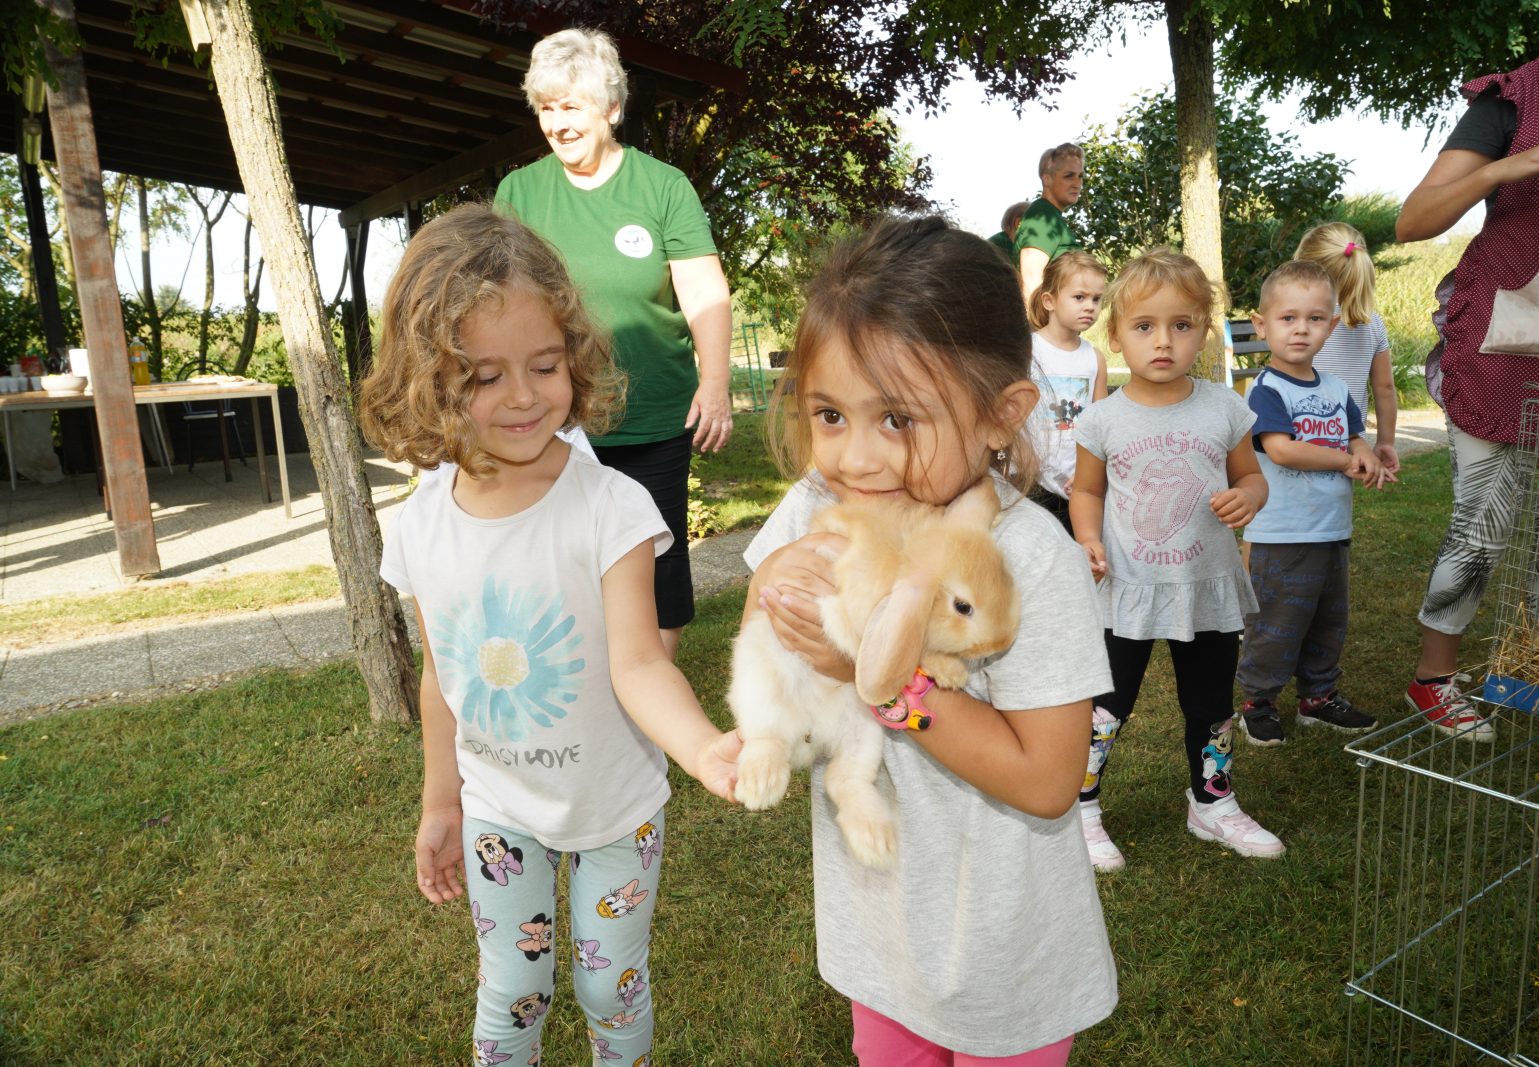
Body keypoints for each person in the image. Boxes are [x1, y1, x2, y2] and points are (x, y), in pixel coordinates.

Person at [358, 204, 739, 1067]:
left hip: (615, 806)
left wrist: (701, 746)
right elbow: (440, 678)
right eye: (485, 376)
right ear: (430, 380)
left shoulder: (611, 508)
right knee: (512, 988)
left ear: (574, 354)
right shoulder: (421, 526)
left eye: (544, 364)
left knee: (610, 988)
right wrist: (441, 802)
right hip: (499, 805)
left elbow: (640, 662)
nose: (525, 395)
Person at [745, 216, 1116, 1064]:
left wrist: (883, 677)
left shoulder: (1028, 558)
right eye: (830, 414)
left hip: (1007, 958)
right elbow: (766, 641)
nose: (855, 458)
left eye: (897, 420)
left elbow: (1048, 779)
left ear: (1001, 415)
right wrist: (782, 595)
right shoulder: (819, 504)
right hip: (880, 935)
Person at [1394, 0, 1539, 740]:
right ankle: (1433, 680)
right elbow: (1413, 221)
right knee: (1483, 523)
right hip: (1504, 342)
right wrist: (1515, 165)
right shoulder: (1510, 100)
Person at [496, 27, 735, 660]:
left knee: (657, 552)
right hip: (554, 419)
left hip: (654, 413)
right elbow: (497, 305)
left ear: (611, 108)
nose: (557, 123)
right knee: (560, 554)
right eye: (546, 108)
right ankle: (577, 673)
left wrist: (715, 384)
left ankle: (647, 681)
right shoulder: (519, 193)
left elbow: (704, 291)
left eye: (571, 106)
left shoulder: (663, 187)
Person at [1069, 247, 1284, 871]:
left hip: (1207, 584)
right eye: (1144, 326)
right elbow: (1087, 490)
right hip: (1128, 588)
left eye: (1181, 325)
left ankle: (1211, 802)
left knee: (1211, 704)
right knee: (1106, 706)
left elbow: (1252, 476)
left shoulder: (1225, 407)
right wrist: (1087, 537)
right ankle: (1079, 807)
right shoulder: (1103, 419)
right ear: (1116, 336)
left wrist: (1249, 497)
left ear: (1203, 332)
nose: (1163, 341)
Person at [1234, 260, 1391, 747]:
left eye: (1315, 319)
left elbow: (1355, 435)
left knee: (1327, 620)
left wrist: (1366, 454)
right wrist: (1345, 460)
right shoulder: (1266, 389)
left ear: (1332, 326)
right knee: (1276, 622)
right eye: (1288, 318)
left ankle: (1318, 697)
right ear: (1262, 325)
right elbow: (1281, 449)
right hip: (1281, 534)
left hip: (1331, 529)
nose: (1301, 329)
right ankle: (1257, 702)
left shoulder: (1336, 388)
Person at [1297, 222, 1402, 478]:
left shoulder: (1301, 318)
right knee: (1336, 498)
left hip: (1299, 435)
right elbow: (1385, 388)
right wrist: (1386, 442)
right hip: (1346, 440)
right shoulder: (1372, 322)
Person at [1025, 251, 1110, 533]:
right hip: (1033, 484)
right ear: (1049, 301)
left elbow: (1101, 424)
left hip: (1080, 485)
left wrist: (1092, 474)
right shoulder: (1027, 351)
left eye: (1096, 299)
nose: (1090, 307)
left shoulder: (1094, 359)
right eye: (1079, 297)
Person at [1016, 142, 1086, 305]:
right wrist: (1035, 322)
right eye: (1069, 176)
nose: (1077, 183)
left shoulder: (1052, 215)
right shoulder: (1043, 216)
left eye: (1080, 176)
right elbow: (1031, 281)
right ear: (1047, 179)